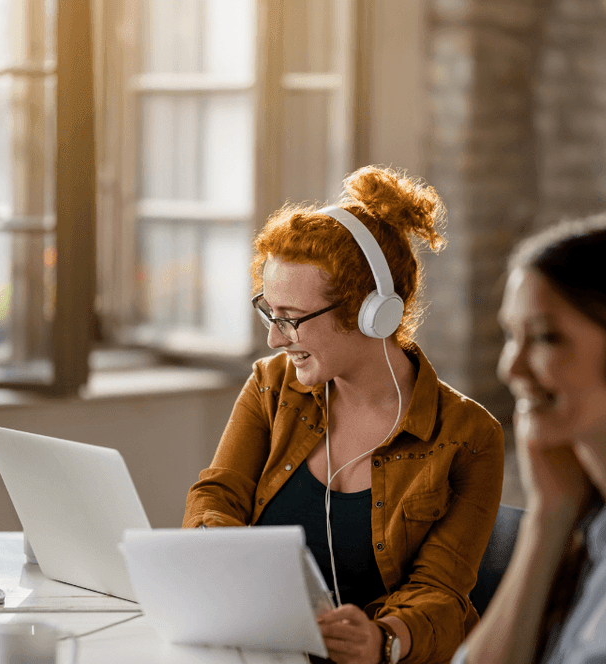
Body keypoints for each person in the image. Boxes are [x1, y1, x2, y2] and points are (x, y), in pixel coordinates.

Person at [183, 165, 505, 664]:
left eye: (290, 320)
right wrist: (236, 572)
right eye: (269, 313)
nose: (274, 338)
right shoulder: (272, 386)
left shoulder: (469, 436)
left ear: (371, 312)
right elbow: (216, 497)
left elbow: (440, 591)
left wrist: (383, 640)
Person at [454, 210, 606, 664]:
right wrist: (548, 518)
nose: (510, 368)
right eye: (512, 335)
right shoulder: (603, 532)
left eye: (546, 338)